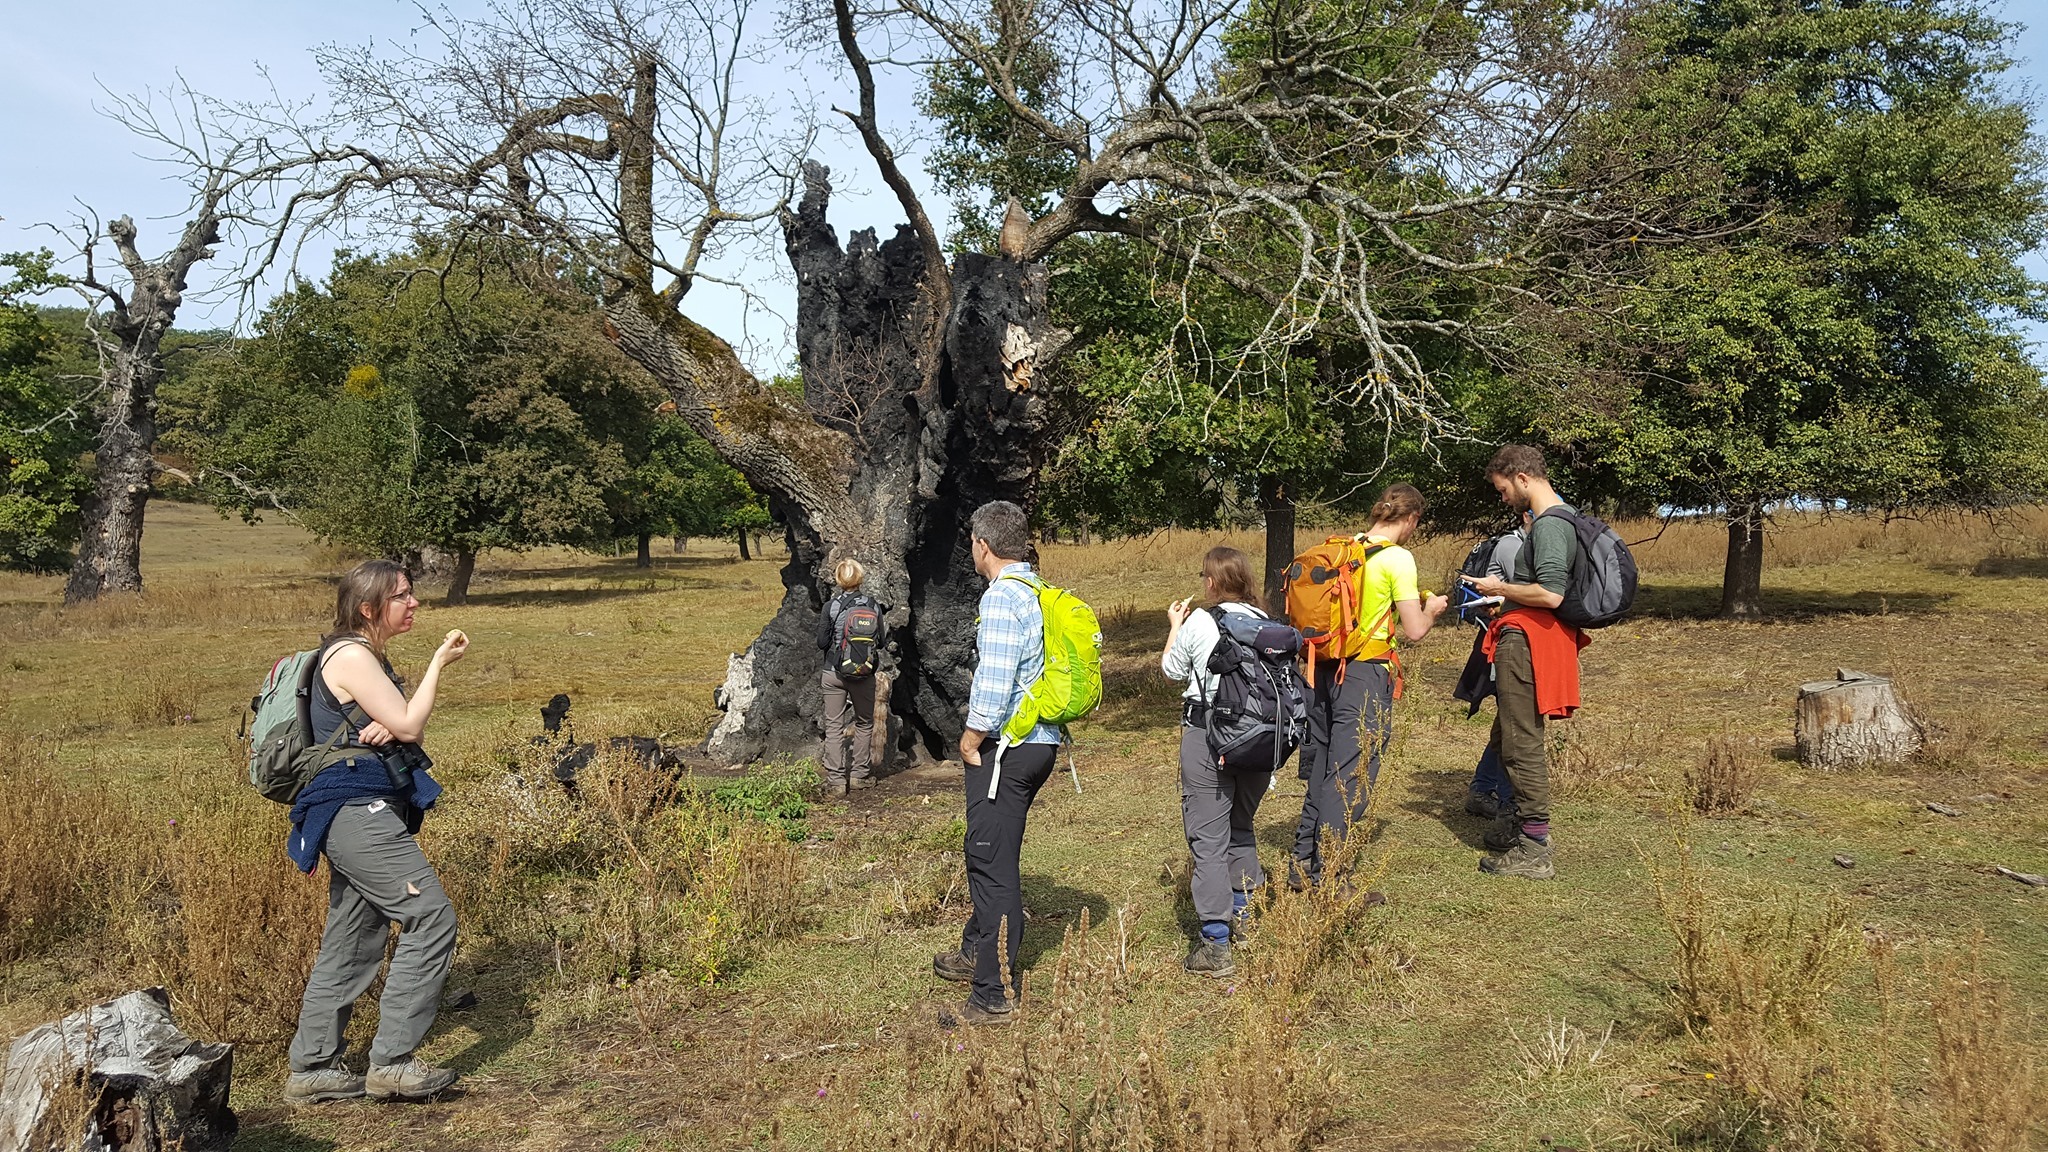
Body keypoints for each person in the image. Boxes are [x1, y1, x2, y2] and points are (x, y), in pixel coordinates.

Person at [283, 560, 469, 1106]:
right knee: (430, 915)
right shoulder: (352, 655)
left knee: (353, 937)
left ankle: (312, 1070)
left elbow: (400, 728)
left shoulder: (359, 656)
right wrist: (437, 664)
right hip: (354, 811)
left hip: (351, 809)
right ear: (368, 608)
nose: (414, 603)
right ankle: (392, 1063)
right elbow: (411, 724)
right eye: (402, 596)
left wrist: (393, 723)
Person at [931, 501, 1062, 1026]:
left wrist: (971, 738)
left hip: (1007, 747)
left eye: (971, 542)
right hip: (1040, 742)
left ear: (983, 545)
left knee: (990, 862)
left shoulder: (1003, 596)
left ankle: (993, 991)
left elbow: (995, 677)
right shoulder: (1037, 590)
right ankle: (974, 950)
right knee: (992, 849)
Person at [1291, 484, 1449, 888]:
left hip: (1322, 668)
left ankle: (1303, 865)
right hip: (1364, 674)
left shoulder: (1346, 549)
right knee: (1351, 774)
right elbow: (1414, 630)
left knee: (1324, 767)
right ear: (1411, 518)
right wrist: (1432, 610)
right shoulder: (1397, 558)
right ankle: (1333, 878)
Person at [1461, 445, 1588, 880]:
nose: (1503, 499)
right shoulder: (1557, 519)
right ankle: (1516, 824)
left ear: (1521, 478)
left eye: (1502, 490)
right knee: (1507, 735)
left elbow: (1550, 594)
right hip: (1529, 635)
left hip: (1528, 642)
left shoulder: (1550, 524)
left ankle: (1534, 847)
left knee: (1521, 742)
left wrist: (1499, 588)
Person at [1161, 546, 1273, 977]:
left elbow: (1172, 670)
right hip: (1260, 740)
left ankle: (1215, 944)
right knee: (1241, 827)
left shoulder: (1201, 622)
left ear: (1211, 582)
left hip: (1210, 737)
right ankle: (1243, 917)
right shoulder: (1266, 622)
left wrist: (1175, 626)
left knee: (1208, 840)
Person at [1464, 510, 1530, 821]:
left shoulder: (1528, 545)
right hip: (1504, 642)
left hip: (1517, 641)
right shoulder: (1512, 546)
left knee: (1507, 722)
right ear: (1527, 517)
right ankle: (1507, 801)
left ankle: (1483, 789)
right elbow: (1532, 593)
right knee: (1511, 722)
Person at [815, 557, 881, 795]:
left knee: (834, 726)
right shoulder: (873, 606)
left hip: (833, 673)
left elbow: (821, 642)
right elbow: (881, 641)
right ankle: (859, 775)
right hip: (864, 673)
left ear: (838, 579)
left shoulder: (831, 607)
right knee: (864, 722)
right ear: (860, 578)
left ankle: (836, 782)